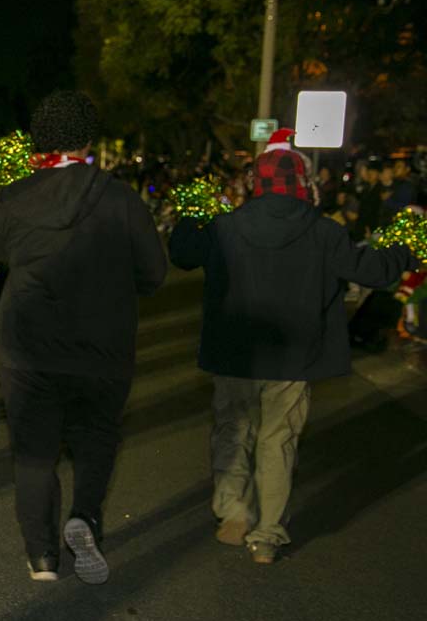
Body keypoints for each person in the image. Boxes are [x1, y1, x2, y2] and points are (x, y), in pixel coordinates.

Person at [169, 143, 414, 565]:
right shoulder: (325, 232)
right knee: (277, 441)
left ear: (256, 182)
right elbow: (372, 270)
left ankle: (233, 512)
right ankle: (267, 536)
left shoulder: (225, 227)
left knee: (233, 431)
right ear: (303, 183)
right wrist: (407, 243)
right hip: (293, 358)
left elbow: (183, 252)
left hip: (235, 354)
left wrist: (195, 208)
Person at [0, 91, 167, 584]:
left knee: (35, 451)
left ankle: (42, 555)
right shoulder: (120, 197)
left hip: (29, 347)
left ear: (40, 139)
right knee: (96, 439)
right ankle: (85, 516)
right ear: (88, 139)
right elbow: (153, 273)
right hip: (102, 347)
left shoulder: (20, 194)